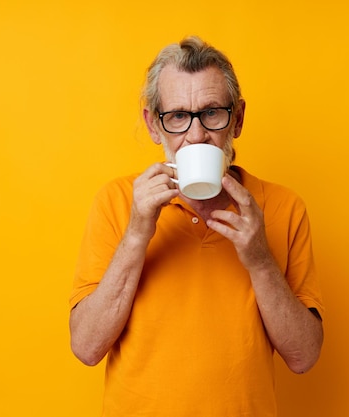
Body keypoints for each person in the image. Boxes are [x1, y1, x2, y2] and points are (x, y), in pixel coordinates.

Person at [69, 36, 324, 417]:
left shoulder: (283, 208)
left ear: (236, 118)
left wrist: (259, 259)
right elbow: (87, 346)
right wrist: (138, 231)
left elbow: (304, 355)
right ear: (153, 126)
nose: (196, 134)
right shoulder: (117, 202)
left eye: (211, 113)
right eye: (176, 117)